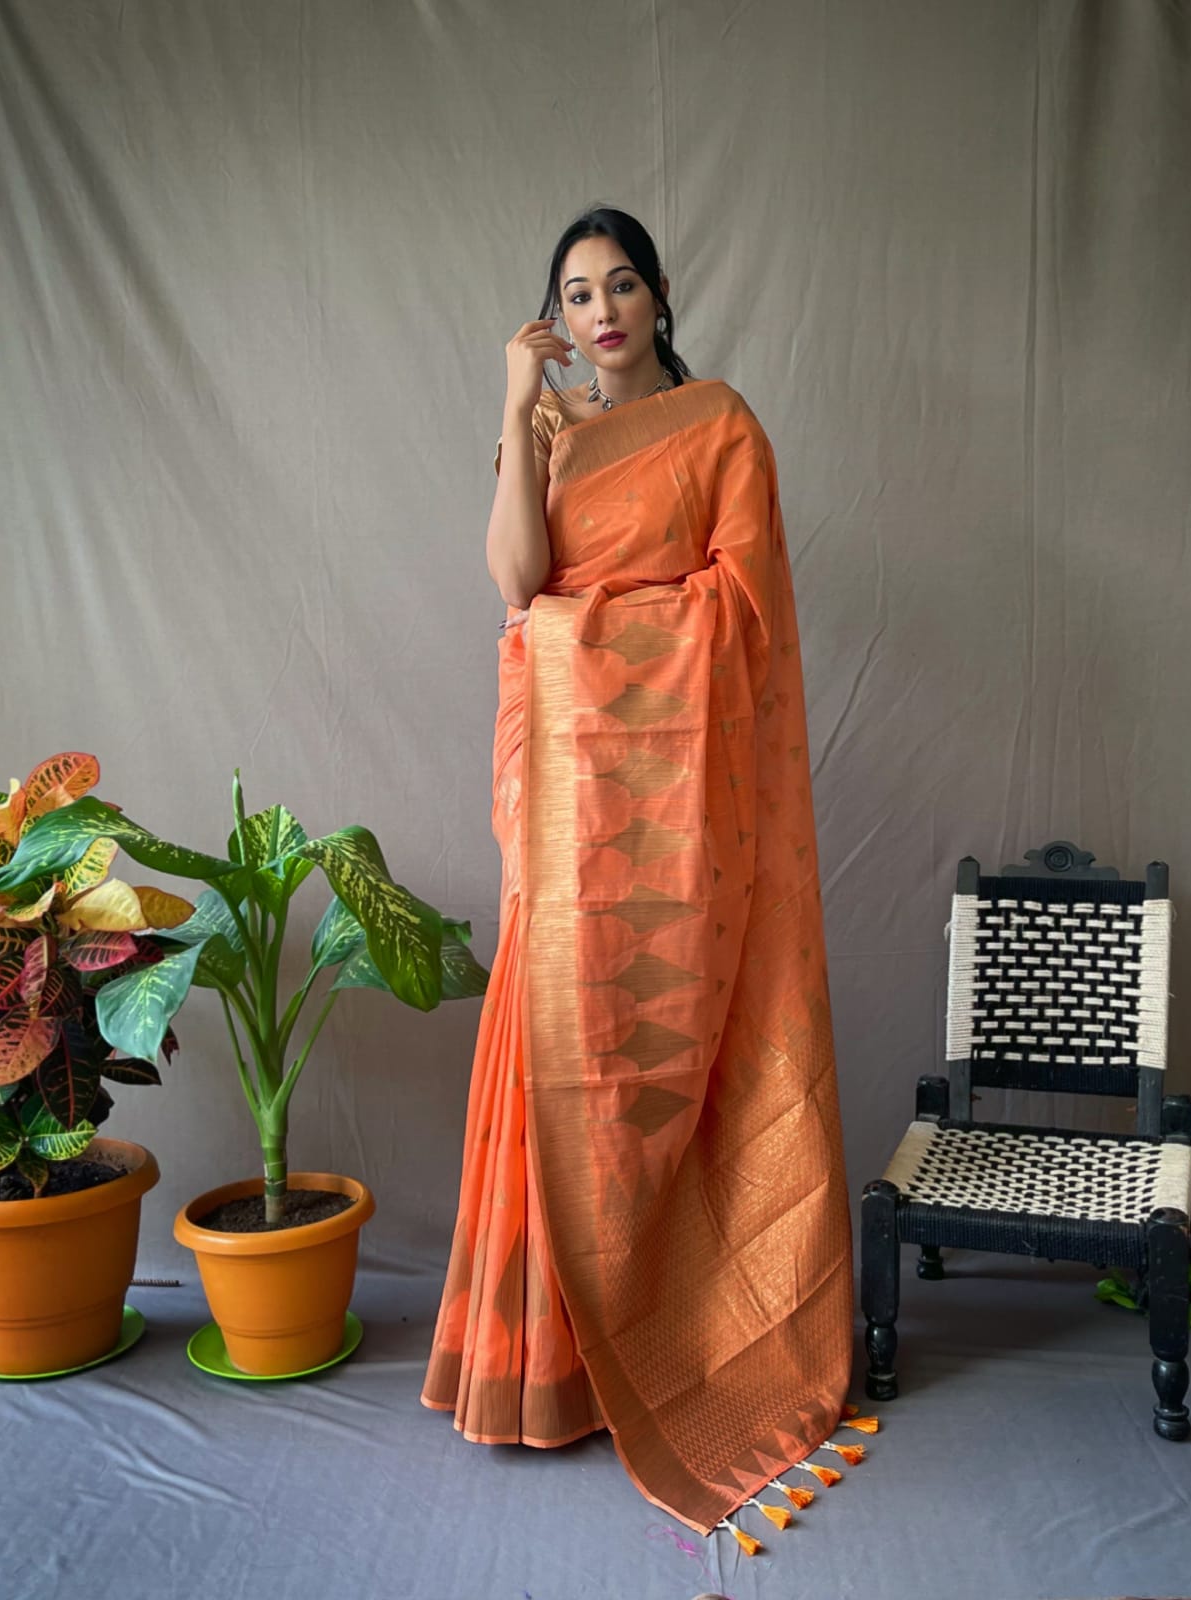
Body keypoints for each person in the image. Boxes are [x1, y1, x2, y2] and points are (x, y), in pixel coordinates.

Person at [422, 206, 853, 1539]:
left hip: (679, 801)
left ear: (660, 298)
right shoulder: (548, 430)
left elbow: (743, 606)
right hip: (558, 783)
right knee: (557, 1041)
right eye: (575, 293)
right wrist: (514, 401)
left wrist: (589, 633)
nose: (602, 309)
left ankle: (689, 1332)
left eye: (622, 286)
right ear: (555, 315)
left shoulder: (720, 428)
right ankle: (551, 1367)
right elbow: (514, 584)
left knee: (664, 1056)